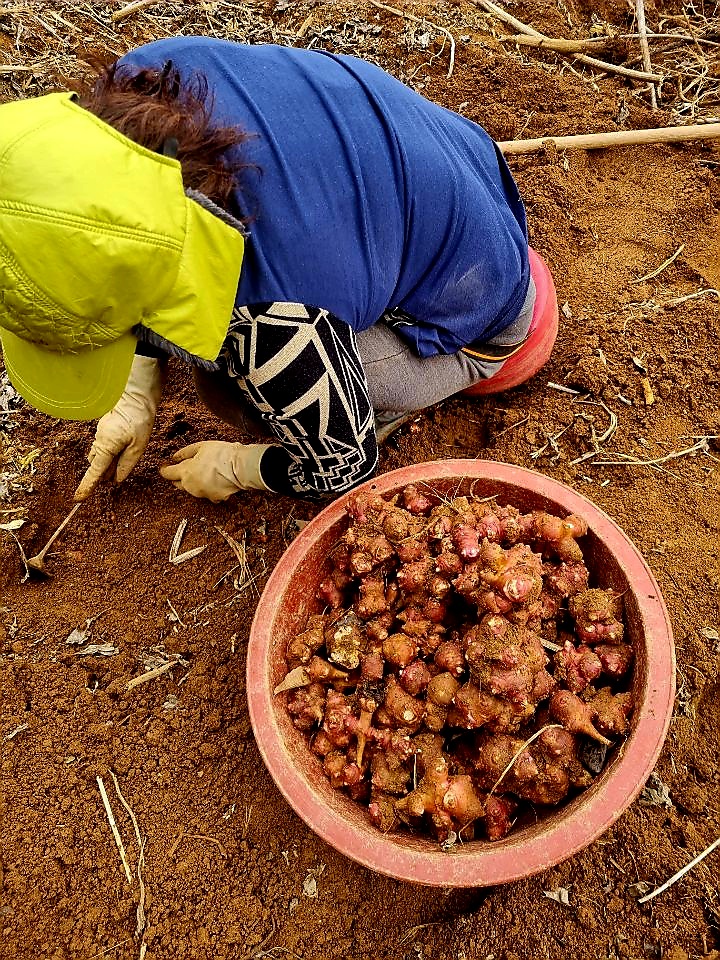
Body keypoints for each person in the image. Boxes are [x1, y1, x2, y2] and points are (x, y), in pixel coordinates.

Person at [0, 38, 557, 503]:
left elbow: (347, 469)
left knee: (229, 390)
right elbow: (132, 225)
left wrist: (235, 468)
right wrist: (136, 389)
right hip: (456, 171)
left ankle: (394, 397)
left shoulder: (270, 314)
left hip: (488, 309)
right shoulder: (144, 76)